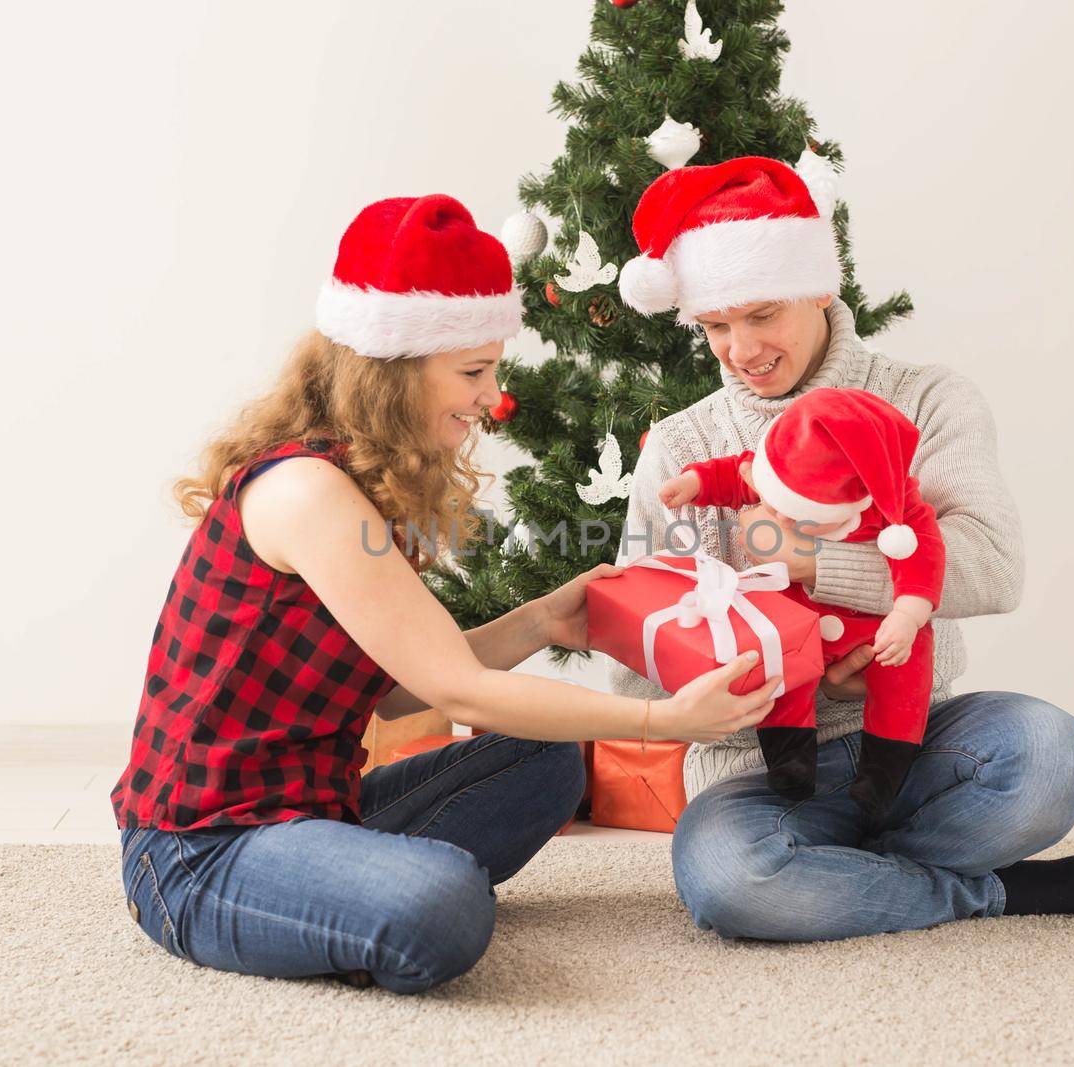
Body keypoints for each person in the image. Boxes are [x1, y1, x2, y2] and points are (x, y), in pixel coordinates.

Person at [111, 193, 781, 992]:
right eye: (471, 373)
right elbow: (455, 688)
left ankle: (340, 891)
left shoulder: (350, 480)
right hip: (199, 851)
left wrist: (540, 619)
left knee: (549, 759)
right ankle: (352, 898)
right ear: (390, 371)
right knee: (445, 905)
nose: (489, 397)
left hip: (316, 811)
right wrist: (660, 719)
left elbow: (396, 696)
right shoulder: (307, 492)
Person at [614, 155, 1074, 940]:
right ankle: (985, 889)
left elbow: (993, 562)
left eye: (762, 314)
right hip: (760, 771)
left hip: (917, 738)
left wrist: (814, 566)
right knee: (731, 881)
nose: (740, 348)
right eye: (715, 326)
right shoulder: (685, 450)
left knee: (1052, 752)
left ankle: (849, 881)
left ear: (821, 286)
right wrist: (759, 674)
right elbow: (635, 671)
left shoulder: (926, 398)